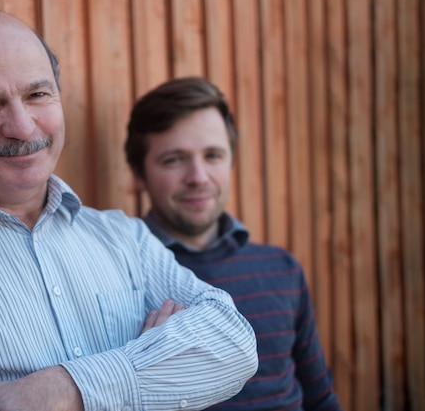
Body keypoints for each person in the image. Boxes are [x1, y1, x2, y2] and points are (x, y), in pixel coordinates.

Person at [0, 11, 258, 411]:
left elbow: (234, 344)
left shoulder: (125, 237)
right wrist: (149, 366)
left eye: (37, 95)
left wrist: (61, 390)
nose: (23, 128)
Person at [124, 76, 343, 411]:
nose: (198, 176)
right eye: (174, 159)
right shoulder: (119, 281)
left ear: (230, 161)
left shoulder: (281, 269)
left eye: (213, 155)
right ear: (139, 174)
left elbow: (320, 398)